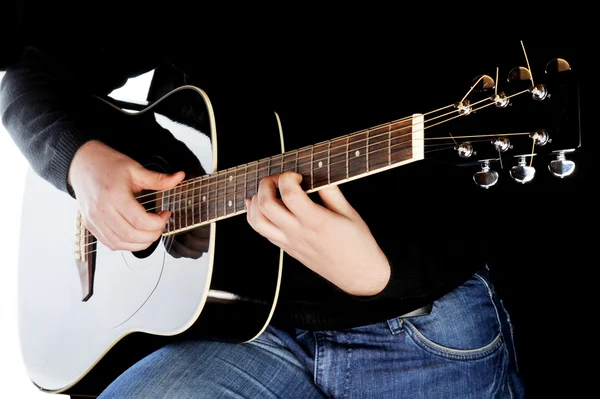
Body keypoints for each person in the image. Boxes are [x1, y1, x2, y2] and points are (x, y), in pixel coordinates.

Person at [1, 13, 526, 398]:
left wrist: (380, 276)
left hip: (421, 330)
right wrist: (82, 165)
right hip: (237, 329)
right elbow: (30, 73)